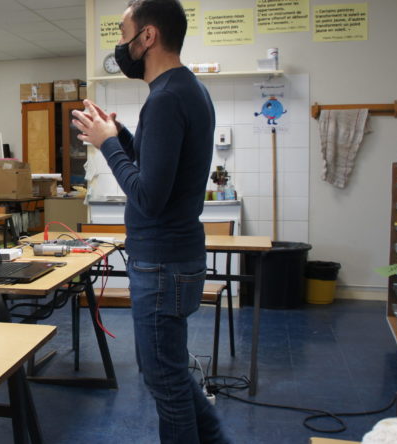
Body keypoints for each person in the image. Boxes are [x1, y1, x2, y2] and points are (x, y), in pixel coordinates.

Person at [71, 1, 227, 443]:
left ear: (148, 37)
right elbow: (161, 168)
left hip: (161, 264)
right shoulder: (186, 89)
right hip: (175, 258)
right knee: (170, 374)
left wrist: (107, 146)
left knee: (165, 382)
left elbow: (147, 196)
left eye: (123, 33)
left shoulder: (165, 98)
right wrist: (119, 135)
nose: (119, 45)